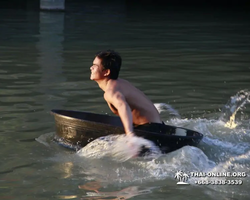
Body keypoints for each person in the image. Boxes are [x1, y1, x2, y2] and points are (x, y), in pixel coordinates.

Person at [90, 49, 165, 136]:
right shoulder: (120, 83)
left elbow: (123, 106)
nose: (91, 68)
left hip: (150, 131)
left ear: (106, 72)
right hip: (159, 127)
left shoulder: (111, 91)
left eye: (95, 66)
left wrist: (129, 134)